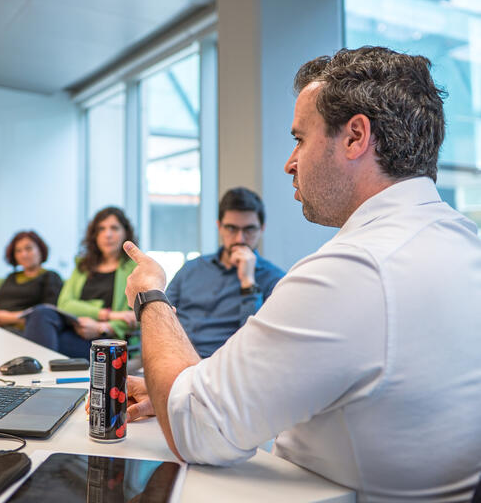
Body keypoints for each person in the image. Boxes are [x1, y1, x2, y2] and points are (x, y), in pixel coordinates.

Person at [123, 47, 481, 501]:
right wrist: (187, 390)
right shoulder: (463, 243)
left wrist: (150, 296)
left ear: (355, 137)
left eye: (300, 139)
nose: (290, 162)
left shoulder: (354, 269)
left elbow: (194, 428)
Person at [166, 187, 285, 357]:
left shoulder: (274, 279)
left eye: (249, 229)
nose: (239, 239)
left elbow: (258, 341)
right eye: (231, 228)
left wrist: (248, 283)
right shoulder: (191, 268)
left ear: (262, 228)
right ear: (219, 226)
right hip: (176, 358)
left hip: (227, 365)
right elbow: (162, 315)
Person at [22, 207, 138, 358]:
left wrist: (101, 327)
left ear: (125, 233)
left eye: (114, 228)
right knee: (41, 313)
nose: (107, 234)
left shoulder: (134, 268)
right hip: (75, 328)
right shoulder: (83, 266)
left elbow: (137, 317)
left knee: (42, 341)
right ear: (95, 235)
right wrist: (109, 314)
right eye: (101, 229)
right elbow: (65, 304)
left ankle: (36, 370)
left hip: (107, 340)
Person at [0, 230, 64, 329]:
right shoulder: (11, 277)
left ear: (40, 250)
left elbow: (48, 312)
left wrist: (10, 317)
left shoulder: (50, 276)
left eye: (28, 249)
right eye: (18, 251)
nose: (23, 254)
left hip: (26, 330)